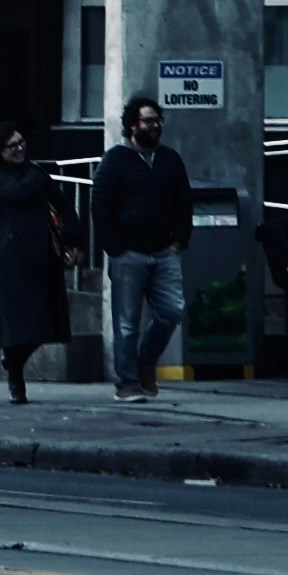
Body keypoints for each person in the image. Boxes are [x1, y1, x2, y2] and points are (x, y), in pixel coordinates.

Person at [93, 92, 194, 404]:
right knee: (126, 323)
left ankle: (144, 362)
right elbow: (101, 205)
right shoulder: (115, 161)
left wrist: (180, 238)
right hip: (129, 254)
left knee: (172, 311)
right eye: (148, 121)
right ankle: (127, 383)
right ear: (132, 125)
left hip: (165, 251)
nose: (155, 126)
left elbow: (183, 200)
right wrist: (114, 247)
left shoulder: (170, 159)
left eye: (157, 120)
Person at [0, 122, 82, 402]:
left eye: (21, 142)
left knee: (44, 321)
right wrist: (38, 175)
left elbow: (62, 203)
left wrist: (73, 240)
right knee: (17, 322)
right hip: (9, 256)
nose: (19, 149)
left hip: (41, 253)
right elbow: (18, 192)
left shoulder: (34, 172)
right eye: (12, 145)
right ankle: (16, 380)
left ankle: (12, 362)